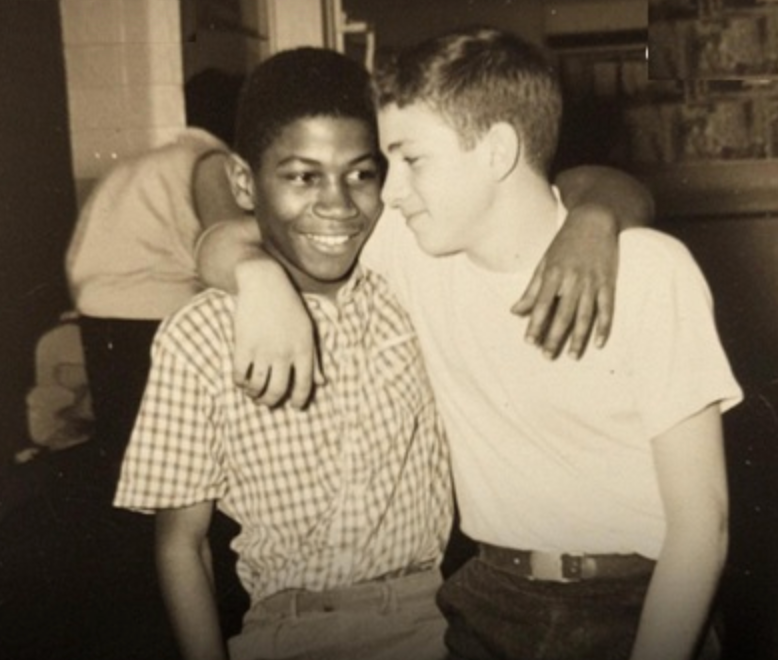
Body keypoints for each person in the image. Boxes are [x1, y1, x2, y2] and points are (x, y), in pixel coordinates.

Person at [200, 29, 742, 660]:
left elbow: (703, 528)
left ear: (497, 150)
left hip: (633, 605)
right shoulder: (417, 252)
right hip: (489, 602)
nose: (390, 192)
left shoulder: (647, 271)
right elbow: (231, 233)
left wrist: (595, 217)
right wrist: (257, 277)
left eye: (412, 159)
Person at [113, 48, 453, 660]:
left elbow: (584, 192)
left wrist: (589, 218)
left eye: (360, 174)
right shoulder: (200, 337)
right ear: (244, 183)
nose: (338, 205)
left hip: (428, 621)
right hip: (285, 630)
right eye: (302, 176)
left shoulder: (412, 289)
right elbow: (181, 543)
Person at [65, 127, 248, 475]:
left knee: (126, 448)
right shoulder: (210, 162)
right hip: (160, 312)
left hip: (96, 312)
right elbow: (233, 249)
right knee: (181, 451)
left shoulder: (135, 165)